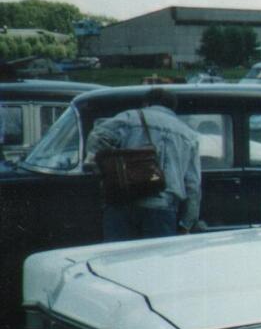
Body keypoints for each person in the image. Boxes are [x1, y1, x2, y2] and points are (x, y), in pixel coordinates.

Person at [86, 87, 201, 241]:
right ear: (172, 107)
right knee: (156, 255)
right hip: (162, 208)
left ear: (146, 103)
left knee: (118, 254)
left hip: (121, 202)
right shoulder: (188, 134)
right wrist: (186, 223)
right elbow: (193, 184)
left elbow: (96, 138)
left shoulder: (129, 117)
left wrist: (107, 165)